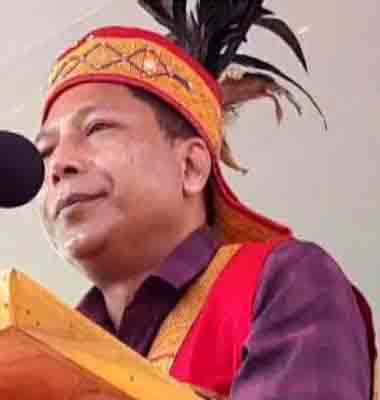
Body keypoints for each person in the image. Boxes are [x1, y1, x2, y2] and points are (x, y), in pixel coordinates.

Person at [35, 2, 377, 399]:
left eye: (97, 128)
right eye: (44, 152)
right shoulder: (44, 351)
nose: (59, 164)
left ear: (192, 166)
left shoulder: (285, 279)